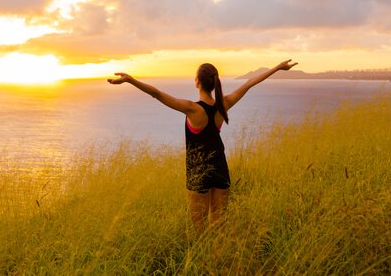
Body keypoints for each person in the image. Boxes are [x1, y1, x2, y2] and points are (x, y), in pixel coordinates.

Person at [107, 59, 298, 233]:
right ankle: (218, 260)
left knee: (199, 229)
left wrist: (131, 80)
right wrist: (278, 67)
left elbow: (156, 94)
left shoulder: (192, 109)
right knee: (219, 224)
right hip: (220, 167)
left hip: (198, 170)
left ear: (198, 81)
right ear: (214, 83)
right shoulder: (225, 104)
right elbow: (249, 83)